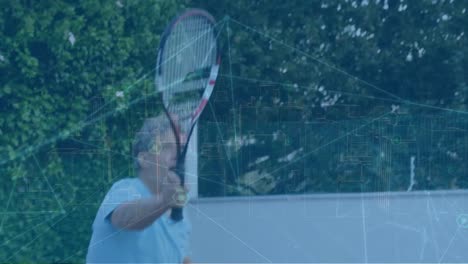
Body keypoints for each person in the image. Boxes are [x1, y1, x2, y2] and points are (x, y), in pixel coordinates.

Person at [86, 115, 192, 263]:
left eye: (180, 149)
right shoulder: (125, 189)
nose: (177, 156)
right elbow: (123, 218)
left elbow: (178, 256)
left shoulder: (180, 214)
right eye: (166, 147)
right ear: (144, 159)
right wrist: (163, 201)